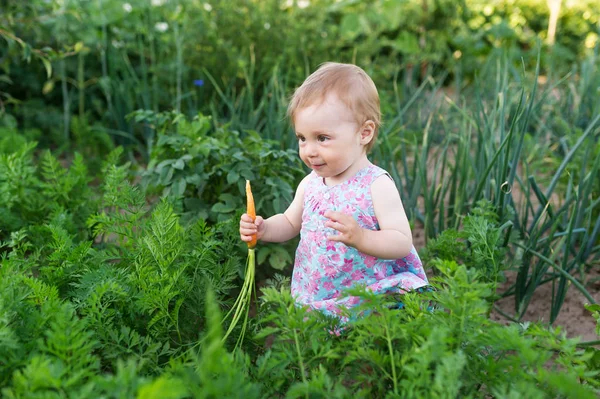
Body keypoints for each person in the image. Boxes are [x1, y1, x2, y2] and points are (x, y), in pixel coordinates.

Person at [239, 62, 429, 322]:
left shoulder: (376, 184)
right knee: (323, 351)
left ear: (364, 133)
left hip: (366, 299)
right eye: (302, 138)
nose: (309, 150)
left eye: (322, 138)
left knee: (362, 350)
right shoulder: (311, 183)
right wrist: (264, 229)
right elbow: (289, 221)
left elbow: (401, 241)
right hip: (319, 293)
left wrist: (362, 237)